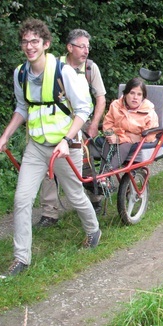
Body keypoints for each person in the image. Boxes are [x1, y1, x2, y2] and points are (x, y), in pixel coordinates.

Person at [0, 19, 101, 278]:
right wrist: (5, 136)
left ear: (46, 44)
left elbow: (84, 109)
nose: (29, 47)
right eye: (25, 42)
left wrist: (66, 140)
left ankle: (93, 230)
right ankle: (21, 258)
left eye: (34, 42)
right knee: (22, 199)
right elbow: (22, 108)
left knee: (75, 196)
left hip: (65, 146)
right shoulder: (21, 73)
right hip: (37, 147)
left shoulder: (63, 72)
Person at [36, 29, 107, 228]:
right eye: (81, 46)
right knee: (49, 167)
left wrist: (93, 124)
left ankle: (94, 199)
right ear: (69, 47)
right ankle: (50, 213)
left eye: (87, 47)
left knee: (85, 163)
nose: (86, 51)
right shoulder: (53, 65)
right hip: (56, 124)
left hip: (81, 123)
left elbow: (100, 97)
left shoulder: (91, 68)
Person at [99, 77, 159, 172]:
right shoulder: (115, 105)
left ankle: (105, 174)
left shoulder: (149, 112)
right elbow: (107, 124)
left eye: (139, 94)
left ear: (143, 97)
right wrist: (111, 135)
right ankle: (102, 174)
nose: (135, 97)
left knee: (125, 145)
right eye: (132, 93)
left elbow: (150, 137)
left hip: (135, 142)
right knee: (108, 142)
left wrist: (121, 138)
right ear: (126, 94)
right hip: (116, 137)